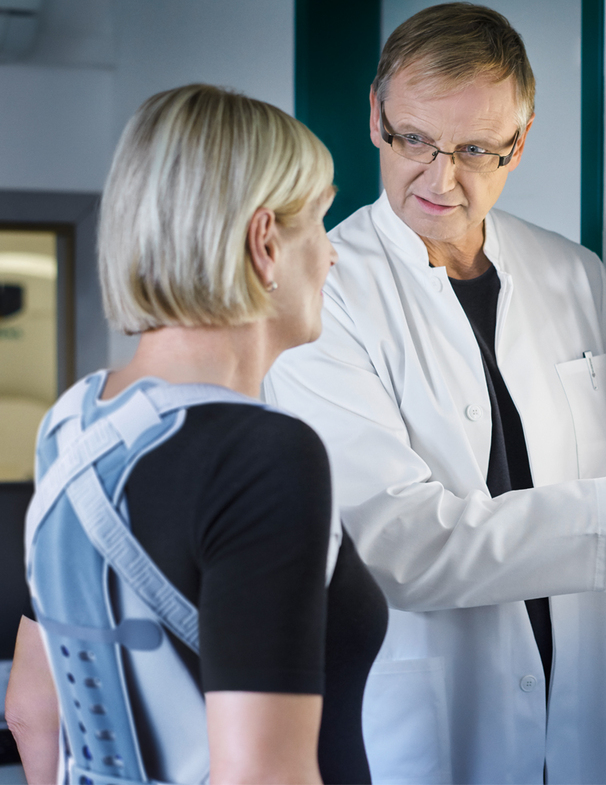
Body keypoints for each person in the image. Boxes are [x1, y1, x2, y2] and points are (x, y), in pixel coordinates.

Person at [263, 3, 606, 785]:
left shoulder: (575, 276)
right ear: (375, 117)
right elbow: (398, 546)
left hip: (583, 720)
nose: (439, 177)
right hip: (426, 733)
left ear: (519, 143)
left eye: (473, 149)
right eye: (415, 140)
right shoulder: (323, 293)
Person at [5, 84, 387, 785]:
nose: (331, 256)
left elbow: (35, 710)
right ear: (265, 242)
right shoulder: (264, 455)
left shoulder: (74, 421)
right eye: (320, 225)